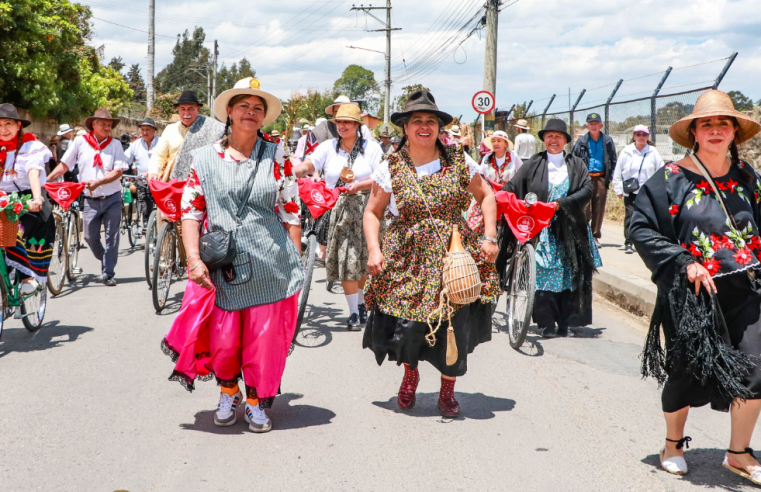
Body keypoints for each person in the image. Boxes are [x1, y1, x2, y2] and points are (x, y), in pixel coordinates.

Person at [630, 90, 761, 482]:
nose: (716, 130)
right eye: (708, 124)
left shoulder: (747, 177)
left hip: (746, 290)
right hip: (692, 295)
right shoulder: (671, 178)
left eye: (724, 123)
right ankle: (672, 443)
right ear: (695, 133)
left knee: (757, 368)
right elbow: (638, 227)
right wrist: (685, 262)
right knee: (686, 371)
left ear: (735, 132)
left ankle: (738, 452)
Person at [163, 77, 303, 433]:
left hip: (270, 263)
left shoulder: (277, 155)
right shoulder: (204, 158)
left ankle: (255, 402)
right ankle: (228, 391)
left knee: (263, 340)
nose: (251, 113)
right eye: (244, 106)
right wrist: (193, 259)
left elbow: (290, 210)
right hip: (223, 267)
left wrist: (296, 260)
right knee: (224, 341)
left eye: (258, 108)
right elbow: (191, 212)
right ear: (229, 111)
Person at [362, 90, 500, 417]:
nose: (424, 127)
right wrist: (374, 248)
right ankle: (410, 374)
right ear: (405, 128)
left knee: (456, 321)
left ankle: (448, 389)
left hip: (455, 254)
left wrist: (490, 237)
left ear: (439, 127)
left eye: (430, 121)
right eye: (417, 121)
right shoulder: (391, 166)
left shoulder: (459, 161)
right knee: (411, 323)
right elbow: (372, 212)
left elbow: (487, 196)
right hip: (407, 257)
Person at [501, 119, 601, 338]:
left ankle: (567, 323)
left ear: (565, 140)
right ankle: (546, 323)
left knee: (570, 274)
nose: (553, 140)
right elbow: (514, 185)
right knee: (544, 273)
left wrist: (560, 204)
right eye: (549, 136)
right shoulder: (534, 163)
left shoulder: (577, 164)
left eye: (558, 136)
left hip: (571, 227)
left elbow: (586, 190)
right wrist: (498, 194)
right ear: (544, 140)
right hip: (542, 228)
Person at [294, 104, 384, 330]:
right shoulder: (328, 147)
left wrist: (360, 185)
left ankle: (361, 302)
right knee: (346, 260)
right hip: (339, 208)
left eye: (347, 122)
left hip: (367, 207)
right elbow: (310, 164)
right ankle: (353, 312)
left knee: (363, 261)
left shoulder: (370, 148)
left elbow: (384, 175)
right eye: (339, 122)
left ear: (356, 125)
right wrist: (295, 170)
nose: (342, 126)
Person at [48, 109, 127, 286]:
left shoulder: (115, 144)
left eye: (109, 125)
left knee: (111, 237)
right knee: (90, 236)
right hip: (90, 199)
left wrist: (98, 182)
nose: (107, 128)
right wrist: (47, 180)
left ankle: (108, 272)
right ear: (94, 124)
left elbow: (119, 170)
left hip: (112, 197)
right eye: (103, 124)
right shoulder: (80, 142)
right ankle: (106, 259)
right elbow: (64, 165)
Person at [0, 104, 55, 292]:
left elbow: (33, 173)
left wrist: (37, 199)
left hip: (27, 198)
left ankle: (25, 277)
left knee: (14, 232)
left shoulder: (30, 146)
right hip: (2, 200)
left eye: (8, 124)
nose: (3, 129)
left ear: (18, 126)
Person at [148, 90, 225, 183]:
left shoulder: (210, 128)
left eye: (191, 109)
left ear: (198, 109)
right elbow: (159, 154)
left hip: (200, 184)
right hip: (172, 184)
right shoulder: (170, 129)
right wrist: (153, 172)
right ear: (178, 110)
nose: (186, 113)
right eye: (183, 109)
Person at [612, 124, 664, 253]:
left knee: (648, 217)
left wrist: (660, 189)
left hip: (648, 191)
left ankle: (647, 242)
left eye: (644, 134)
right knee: (630, 216)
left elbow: (661, 170)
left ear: (648, 136)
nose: (641, 137)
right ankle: (629, 242)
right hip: (631, 191)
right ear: (634, 136)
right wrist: (618, 189)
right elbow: (618, 171)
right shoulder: (626, 151)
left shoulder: (653, 152)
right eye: (638, 134)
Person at [572, 112, 617, 244]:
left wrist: (613, 178)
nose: (593, 126)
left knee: (599, 207)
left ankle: (595, 235)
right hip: (585, 178)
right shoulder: (581, 141)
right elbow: (574, 159)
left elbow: (613, 159)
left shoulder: (607, 141)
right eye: (591, 124)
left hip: (601, 178)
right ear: (587, 126)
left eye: (596, 123)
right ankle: (585, 234)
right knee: (584, 207)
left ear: (601, 125)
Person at [467, 130, 524, 235]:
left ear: (505, 144)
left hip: (506, 194)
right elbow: (481, 175)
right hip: (490, 193)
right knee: (475, 219)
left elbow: (522, 172)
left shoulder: (513, 157)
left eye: (499, 141)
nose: (496, 143)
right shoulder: (487, 158)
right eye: (494, 141)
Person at [125, 117, 160, 225]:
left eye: (147, 129)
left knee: (161, 206)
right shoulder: (135, 145)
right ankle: (146, 223)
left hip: (159, 180)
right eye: (143, 129)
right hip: (142, 180)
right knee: (144, 201)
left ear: (154, 130)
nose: (144, 132)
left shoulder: (161, 142)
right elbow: (126, 159)